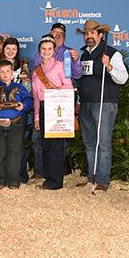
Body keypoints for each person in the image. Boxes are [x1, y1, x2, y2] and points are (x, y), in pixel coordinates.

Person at [77, 20, 128, 191]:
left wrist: (109, 66)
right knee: (90, 143)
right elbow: (82, 80)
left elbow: (123, 78)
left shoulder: (112, 53)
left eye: (92, 33)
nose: (88, 36)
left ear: (100, 35)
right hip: (86, 103)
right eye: (86, 33)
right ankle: (92, 177)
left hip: (104, 103)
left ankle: (102, 180)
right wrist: (78, 102)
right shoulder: (83, 55)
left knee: (103, 143)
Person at [31, 22, 81, 179]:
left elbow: (68, 86)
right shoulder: (36, 71)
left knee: (56, 146)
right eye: (43, 49)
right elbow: (36, 96)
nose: (46, 52)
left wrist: (55, 92)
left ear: (54, 51)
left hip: (58, 107)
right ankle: (48, 176)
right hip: (43, 108)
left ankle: (56, 180)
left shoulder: (61, 65)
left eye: (49, 49)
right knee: (45, 145)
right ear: (40, 51)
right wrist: (37, 117)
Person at [0, 37, 32, 183]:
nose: (5, 74)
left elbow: (28, 97)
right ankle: (0, 179)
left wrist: (24, 106)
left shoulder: (22, 72)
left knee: (16, 150)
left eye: (14, 49)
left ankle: (15, 179)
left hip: (17, 118)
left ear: (12, 73)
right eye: (8, 48)